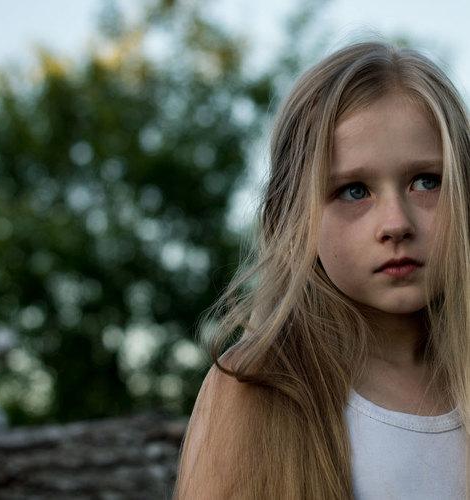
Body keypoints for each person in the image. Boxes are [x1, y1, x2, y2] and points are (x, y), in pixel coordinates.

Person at [172, 38, 470, 499]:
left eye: (426, 181)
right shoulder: (256, 388)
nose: (396, 224)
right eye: (354, 190)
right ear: (295, 216)